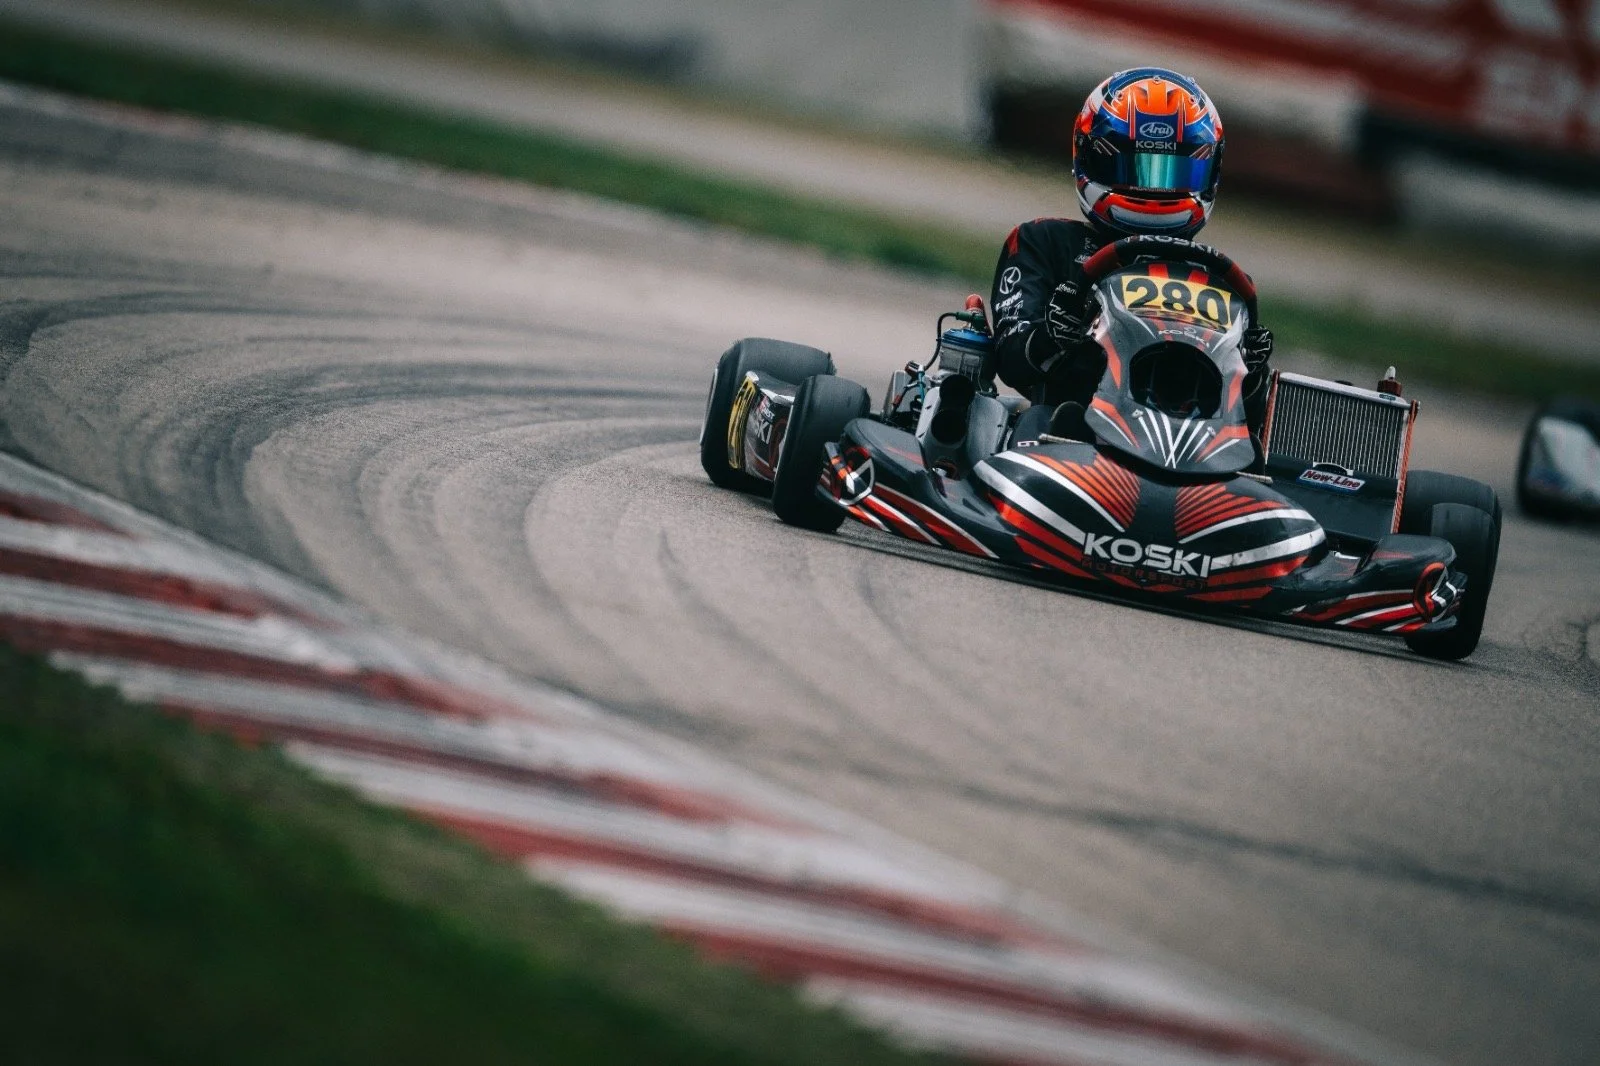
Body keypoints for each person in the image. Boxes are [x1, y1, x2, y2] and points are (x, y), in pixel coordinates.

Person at [988, 67, 1274, 449]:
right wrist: (1054, 337)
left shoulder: (1223, 280)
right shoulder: (1047, 243)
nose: (1153, 189)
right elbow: (1012, 360)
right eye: (1134, 167)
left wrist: (1251, 372)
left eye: (1172, 172)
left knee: (1257, 455)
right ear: (1088, 157)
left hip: (1188, 454)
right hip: (1072, 439)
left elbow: (1246, 420)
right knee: (1036, 421)